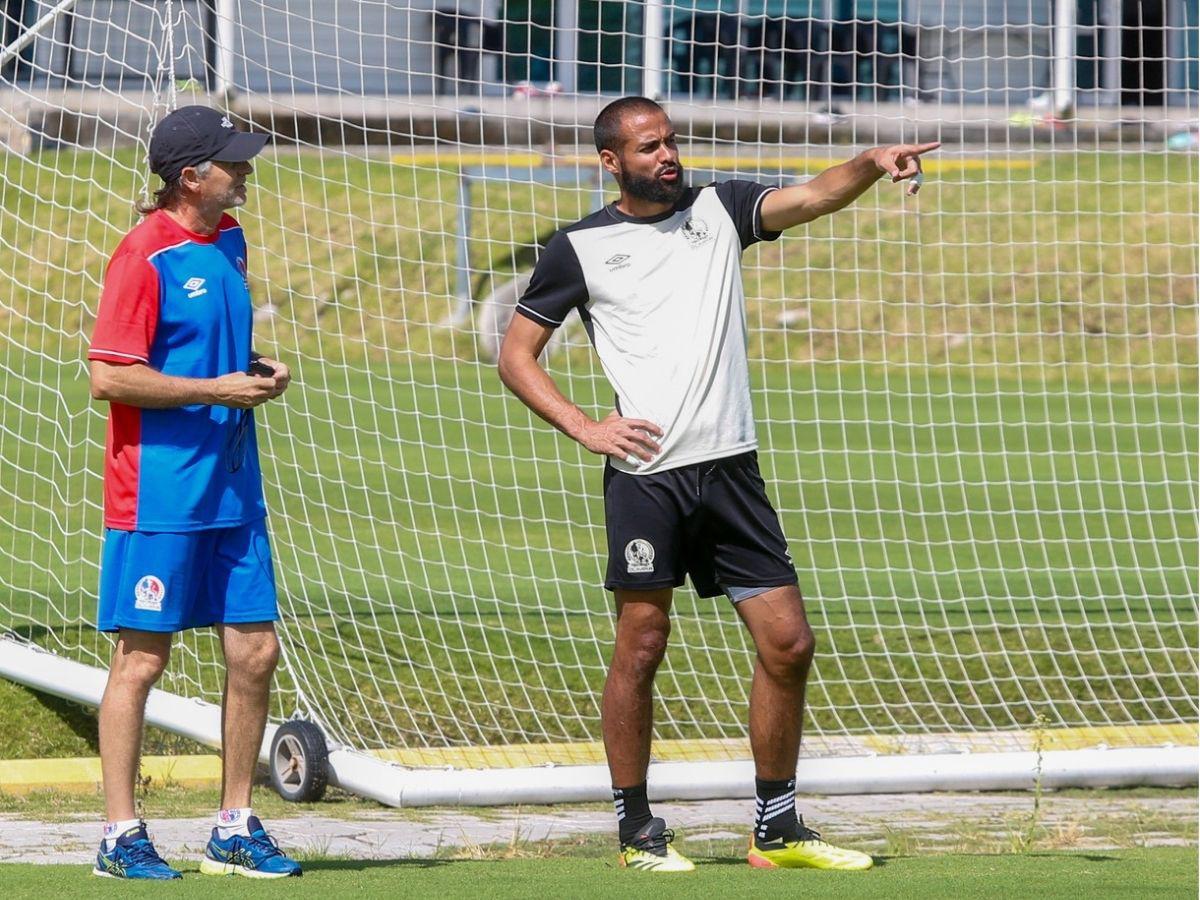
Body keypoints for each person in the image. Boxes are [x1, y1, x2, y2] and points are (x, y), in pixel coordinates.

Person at [498, 95, 938, 874]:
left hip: (731, 468)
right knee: (642, 643)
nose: (667, 155)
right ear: (611, 161)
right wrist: (587, 427)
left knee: (789, 642)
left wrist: (869, 165)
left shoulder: (720, 209)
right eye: (647, 147)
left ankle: (775, 828)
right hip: (647, 478)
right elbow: (517, 355)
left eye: (670, 141)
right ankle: (637, 832)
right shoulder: (579, 248)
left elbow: (811, 195)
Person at [87, 105, 301, 880]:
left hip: (234, 488)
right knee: (143, 659)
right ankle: (120, 835)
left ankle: (235, 825)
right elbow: (109, 374)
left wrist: (256, 367)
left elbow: (216, 348)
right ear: (190, 177)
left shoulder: (231, 241)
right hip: (159, 495)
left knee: (256, 650)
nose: (245, 170)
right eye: (232, 161)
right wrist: (214, 386)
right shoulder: (142, 256)